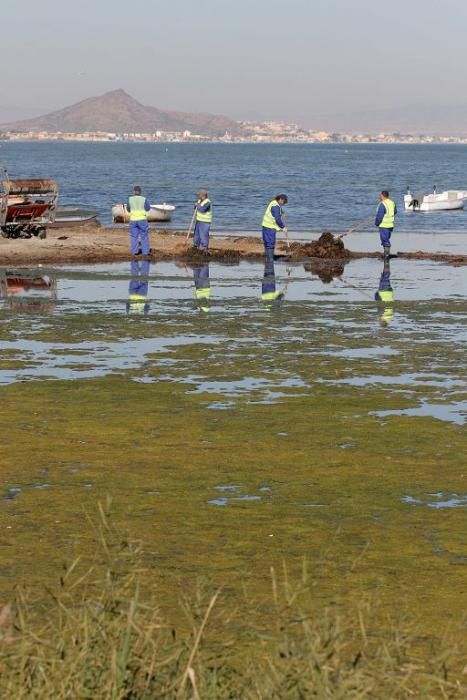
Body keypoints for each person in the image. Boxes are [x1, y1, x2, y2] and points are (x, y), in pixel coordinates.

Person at [127, 186, 151, 256]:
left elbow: (128, 209)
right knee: (144, 236)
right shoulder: (144, 199)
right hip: (142, 219)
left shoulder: (130, 199)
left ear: (133, 191)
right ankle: (146, 252)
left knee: (134, 236)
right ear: (140, 192)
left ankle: (134, 252)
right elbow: (148, 208)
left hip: (133, 220)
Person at [262, 194, 288, 260]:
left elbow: (275, 211)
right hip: (270, 227)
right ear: (280, 199)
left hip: (265, 225)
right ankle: (270, 259)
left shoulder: (273, 202)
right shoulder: (276, 207)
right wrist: (283, 227)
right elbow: (277, 219)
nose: (284, 204)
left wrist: (281, 212)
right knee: (270, 243)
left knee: (267, 242)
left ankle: (268, 258)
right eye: (284, 202)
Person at [375, 190, 397, 259]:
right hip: (390, 225)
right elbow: (395, 211)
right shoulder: (392, 202)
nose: (379, 196)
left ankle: (386, 255)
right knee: (386, 239)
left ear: (382, 196)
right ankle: (386, 254)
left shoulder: (383, 204)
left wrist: (377, 223)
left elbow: (380, 216)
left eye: (380, 195)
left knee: (385, 240)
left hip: (384, 225)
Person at [374, 257, 394, 325]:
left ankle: (386, 261)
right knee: (385, 276)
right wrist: (376, 294)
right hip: (383, 292)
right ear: (382, 321)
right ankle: (387, 260)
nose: (378, 320)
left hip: (388, 291)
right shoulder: (383, 315)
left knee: (384, 277)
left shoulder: (389, 316)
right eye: (380, 321)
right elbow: (379, 301)